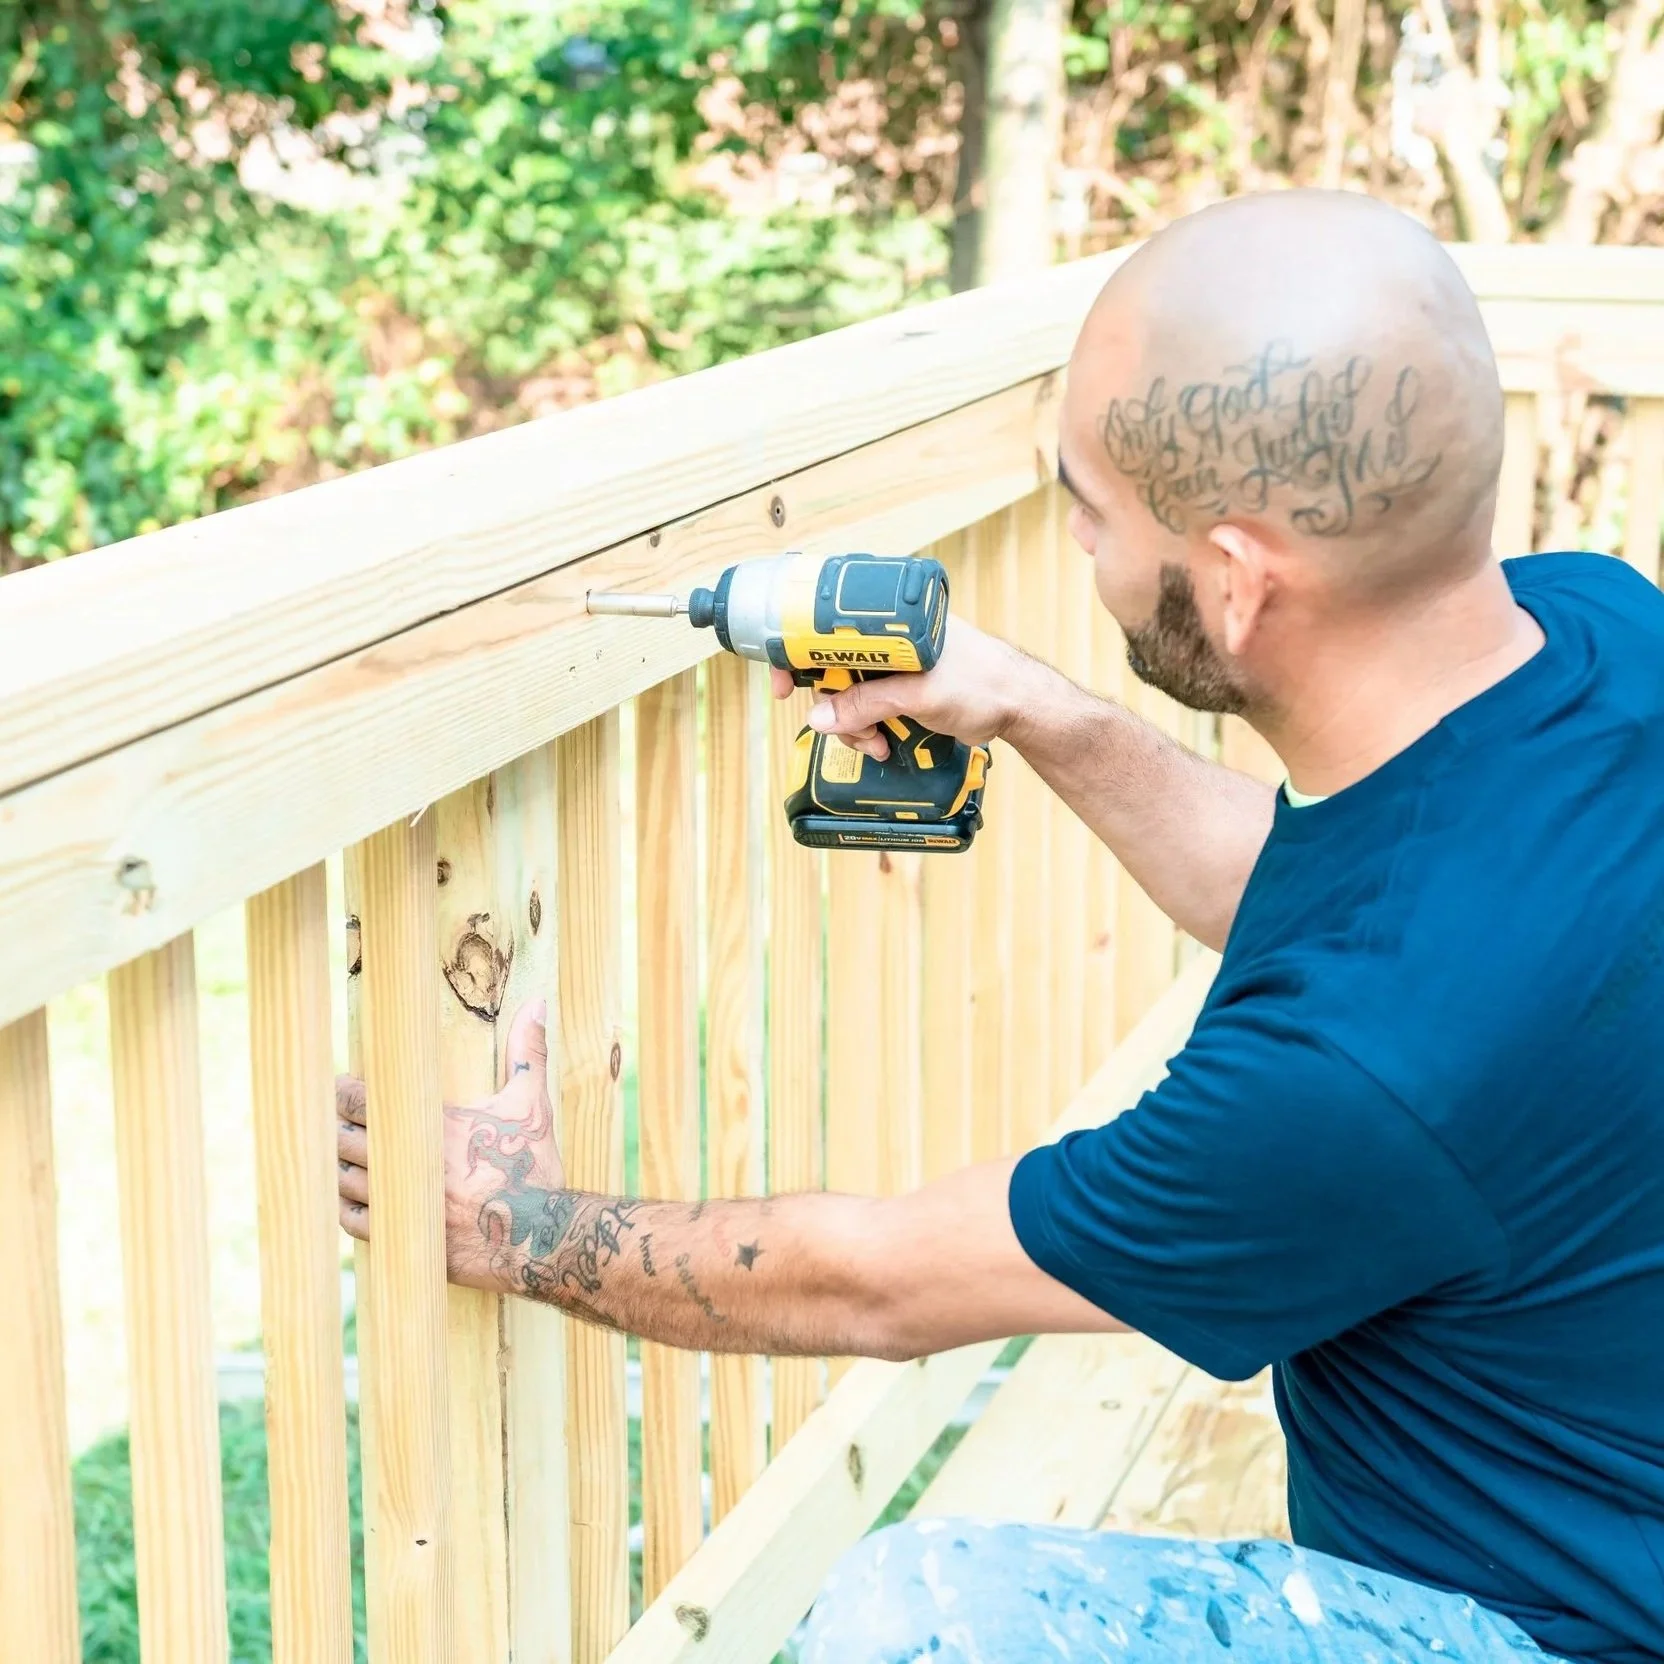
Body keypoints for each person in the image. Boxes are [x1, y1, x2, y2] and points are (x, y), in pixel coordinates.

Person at [336, 190, 1664, 1663]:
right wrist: (1040, 708)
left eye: (1090, 515)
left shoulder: (1349, 1083)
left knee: (926, 1619)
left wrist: (511, 1225)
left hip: (1559, 1633)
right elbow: (1347, 907)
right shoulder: (1599, 641)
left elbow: (880, 1282)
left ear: (1233, 581)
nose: (1082, 553)